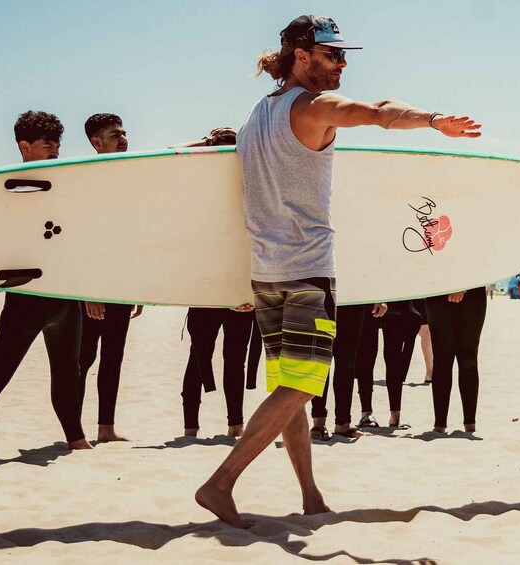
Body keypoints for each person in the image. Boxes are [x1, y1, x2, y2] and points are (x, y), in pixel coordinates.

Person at [195, 14, 481, 528]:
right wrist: (435, 120)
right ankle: (220, 484)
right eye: (333, 55)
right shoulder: (313, 106)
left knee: (290, 389)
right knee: (304, 385)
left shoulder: (257, 114)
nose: (342, 64)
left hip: (267, 272)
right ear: (301, 57)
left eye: (344, 56)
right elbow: (378, 113)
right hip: (306, 270)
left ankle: (310, 494)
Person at [0, 111, 91, 450]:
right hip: (27, 295)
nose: (55, 152)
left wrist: (90, 288)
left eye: (57, 146)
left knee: (69, 371)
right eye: (47, 145)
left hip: (65, 293)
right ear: (24, 146)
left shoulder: (64, 187)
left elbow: (75, 240)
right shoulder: (6, 189)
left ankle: (76, 439)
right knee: (0, 368)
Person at [175, 127, 258, 438]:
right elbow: (172, 151)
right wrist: (208, 142)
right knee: (199, 358)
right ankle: (190, 428)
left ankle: (235, 425)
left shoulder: (251, 187)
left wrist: (249, 292)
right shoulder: (198, 195)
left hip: (240, 291)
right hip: (207, 290)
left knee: (234, 360)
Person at [77, 113, 142, 443]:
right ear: (96, 142)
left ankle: (106, 429)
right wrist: (90, 289)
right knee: (82, 359)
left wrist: (138, 286)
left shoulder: (129, 180)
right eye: (115, 134)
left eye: (124, 132)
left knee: (113, 357)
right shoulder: (88, 179)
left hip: (121, 285)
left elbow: (134, 237)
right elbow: (83, 238)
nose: (123, 138)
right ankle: (73, 432)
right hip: (91, 287)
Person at [308, 302, 386, 439]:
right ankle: (318, 421)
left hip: (353, 299)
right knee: (321, 360)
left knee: (347, 361)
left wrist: (380, 298)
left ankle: (342, 423)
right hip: (322, 296)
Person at [353, 300, 424, 429]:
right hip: (368, 299)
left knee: (394, 356)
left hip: (394, 298)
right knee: (366, 354)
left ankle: (396, 414)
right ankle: (366, 413)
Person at [426, 287, 487, 434]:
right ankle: (440, 423)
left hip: (473, 292)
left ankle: (470, 423)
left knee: (468, 359)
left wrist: (462, 287)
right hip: (438, 292)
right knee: (441, 360)